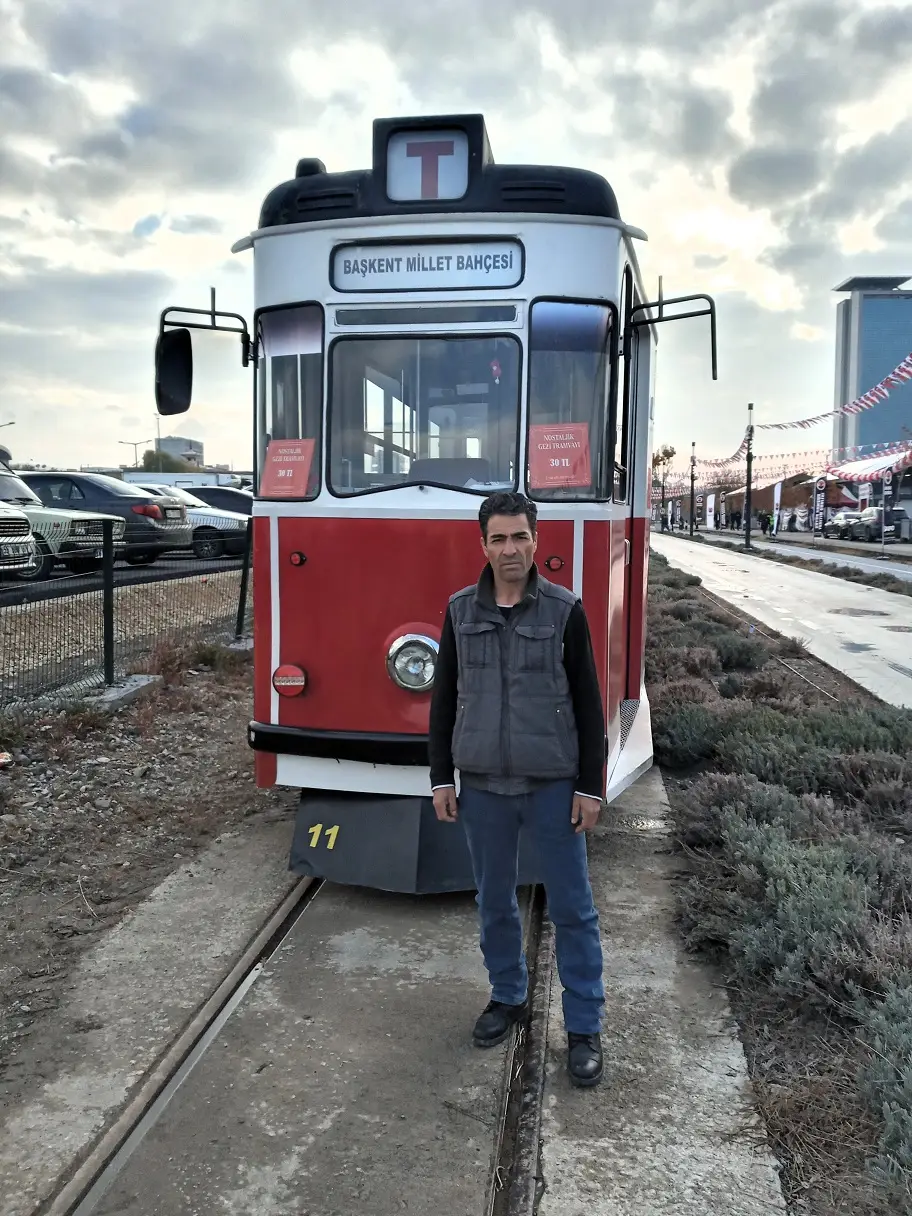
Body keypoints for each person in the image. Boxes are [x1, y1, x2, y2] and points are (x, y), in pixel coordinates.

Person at [429, 491, 606, 1088]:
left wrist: (590, 787)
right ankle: (507, 997)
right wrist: (440, 777)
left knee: (574, 909)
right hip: (482, 787)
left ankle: (583, 1026)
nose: (511, 549)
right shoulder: (458, 612)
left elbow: (588, 703)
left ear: (537, 541)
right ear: (483, 545)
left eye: (520, 537)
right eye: (499, 539)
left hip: (552, 784)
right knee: (494, 903)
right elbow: (443, 701)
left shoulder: (565, 611)